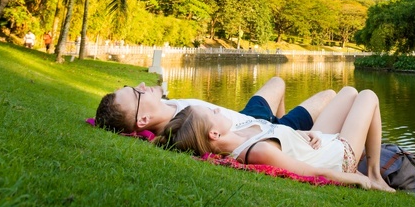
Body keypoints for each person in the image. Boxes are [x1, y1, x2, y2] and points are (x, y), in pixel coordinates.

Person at [155, 87, 396, 192]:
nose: (217, 109)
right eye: (212, 113)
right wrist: (357, 178)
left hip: (313, 141)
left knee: (349, 92)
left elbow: (278, 135)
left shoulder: (240, 134)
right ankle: (374, 174)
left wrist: (300, 134)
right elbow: (313, 172)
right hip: (337, 156)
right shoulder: (259, 151)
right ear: (214, 134)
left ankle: (372, 171)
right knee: (368, 96)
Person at [94, 76, 335, 137]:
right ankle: (286, 134)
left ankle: (285, 127)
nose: (142, 85)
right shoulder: (184, 125)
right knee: (330, 95)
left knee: (278, 82)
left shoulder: (160, 107)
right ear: (143, 120)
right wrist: (276, 134)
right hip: (260, 132)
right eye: (137, 92)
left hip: (247, 116)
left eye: (131, 86)